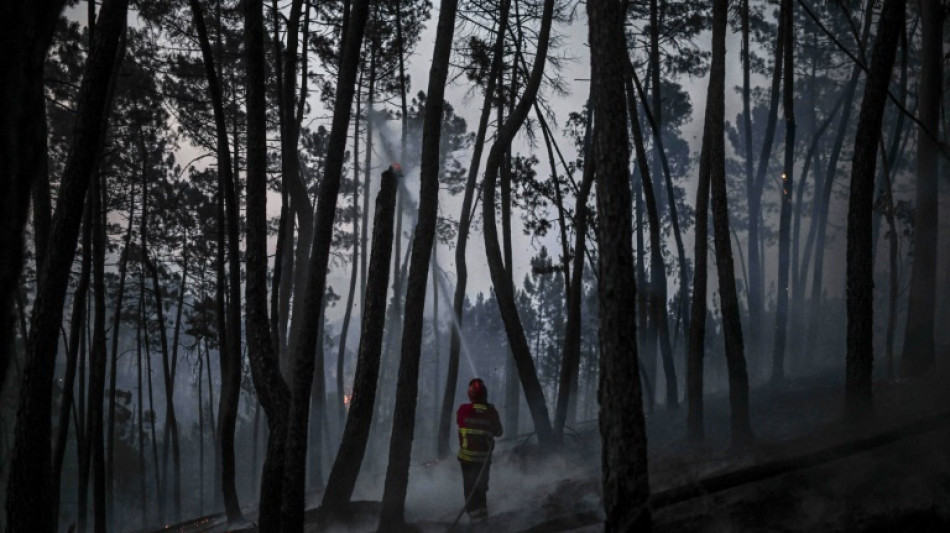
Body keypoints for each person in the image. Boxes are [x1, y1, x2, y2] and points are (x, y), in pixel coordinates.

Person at [456, 378, 503, 522]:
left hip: (467, 460)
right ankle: (482, 517)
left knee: (469, 487)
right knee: (481, 487)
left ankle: (474, 518)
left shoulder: (463, 410)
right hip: (483, 459)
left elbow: (461, 422)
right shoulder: (491, 412)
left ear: (470, 395)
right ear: (485, 395)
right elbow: (499, 432)